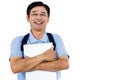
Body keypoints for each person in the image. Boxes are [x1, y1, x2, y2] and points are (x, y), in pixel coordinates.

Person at [9, 1, 69, 80]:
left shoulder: (56, 38)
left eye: (43, 14)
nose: (39, 18)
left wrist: (28, 65)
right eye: (34, 14)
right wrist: (44, 56)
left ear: (48, 18)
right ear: (28, 18)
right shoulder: (18, 41)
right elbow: (15, 67)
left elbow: (64, 64)